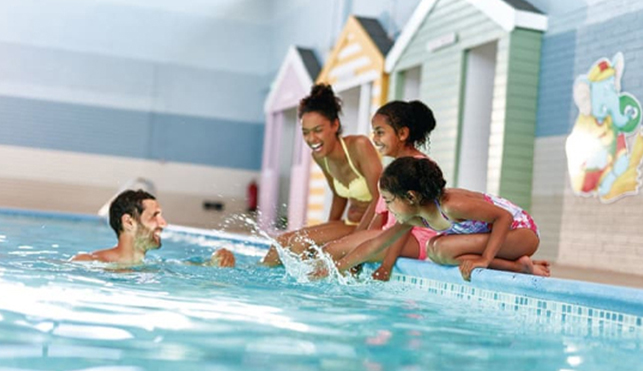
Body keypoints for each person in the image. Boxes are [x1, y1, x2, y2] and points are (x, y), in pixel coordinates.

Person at [334, 157, 549, 281]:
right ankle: (519, 265)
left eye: (389, 201)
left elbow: (504, 216)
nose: (387, 207)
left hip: (520, 232)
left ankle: (519, 268)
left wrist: (484, 260)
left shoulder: (451, 204)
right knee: (435, 249)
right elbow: (376, 243)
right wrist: (337, 268)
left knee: (441, 248)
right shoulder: (415, 216)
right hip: (499, 238)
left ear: (411, 196)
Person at [313, 100, 438, 281]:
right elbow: (379, 215)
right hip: (389, 236)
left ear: (402, 133)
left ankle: (322, 296)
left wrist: (387, 264)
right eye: (374, 132)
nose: (375, 138)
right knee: (330, 250)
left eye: (380, 132)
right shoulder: (393, 169)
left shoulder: (417, 167)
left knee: (334, 254)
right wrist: (359, 241)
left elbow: (408, 222)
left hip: (416, 240)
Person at [261, 84, 382, 266]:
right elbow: (339, 196)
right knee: (282, 242)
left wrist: (355, 240)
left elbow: (380, 198)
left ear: (335, 124)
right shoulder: (320, 156)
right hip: (349, 223)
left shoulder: (359, 146)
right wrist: (327, 231)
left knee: (301, 243)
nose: (312, 139)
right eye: (306, 133)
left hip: (373, 226)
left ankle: (303, 290)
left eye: (318, 130)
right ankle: (253, 277)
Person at [71, 189, 235, 267]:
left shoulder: (152, 269)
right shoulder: (87, 262)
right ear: (129, 222)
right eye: (154, 216)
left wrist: (216, 262)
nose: (163, 223)